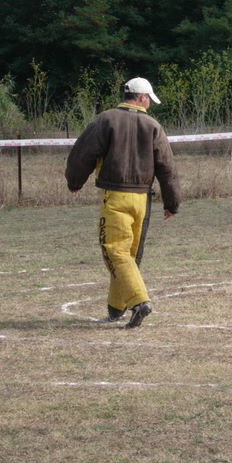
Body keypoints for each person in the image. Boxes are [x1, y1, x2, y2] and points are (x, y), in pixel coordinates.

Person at [65, 77, 181, 329]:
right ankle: (115, 309)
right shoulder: (153, 125)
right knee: (128, 255)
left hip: (114, 195)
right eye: (149, 98)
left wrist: (74, 181)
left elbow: (82, 153)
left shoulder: (105, 120)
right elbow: (167, 167)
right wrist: (172, 203)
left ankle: (139, 302)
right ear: (141, 97)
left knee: (115, 251)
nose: (149, 103)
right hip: (142, 200)